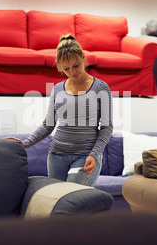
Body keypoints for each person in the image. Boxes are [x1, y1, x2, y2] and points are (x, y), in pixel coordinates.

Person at [8, 34, 113, 187]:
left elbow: (106, 127)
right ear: (59, 65)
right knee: (56, 201)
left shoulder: (101, 88)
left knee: (71, 194)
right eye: (66, 68)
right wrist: (25, 144)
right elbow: (48, 125)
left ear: (83, 57)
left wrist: (94, 154)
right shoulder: (57, 89)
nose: (72, 72)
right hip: (57, 156)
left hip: (86, 156)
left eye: (76, 65)